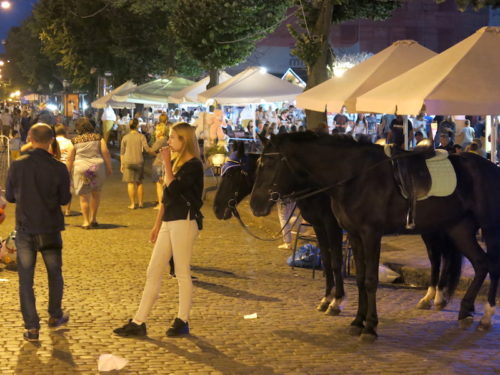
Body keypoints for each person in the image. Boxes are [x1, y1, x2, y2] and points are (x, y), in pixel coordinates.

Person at [114, 122, 203, 338]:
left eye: (173, 137)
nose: (169, 141)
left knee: (181, 272)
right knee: (153, 270)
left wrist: (166, 163)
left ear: (185, 140)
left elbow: (174, 187)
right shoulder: (176, 162)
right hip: (170, 220)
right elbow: (165, 197)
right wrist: (157, 224)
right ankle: (139, 321)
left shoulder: (193, 165)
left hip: (185, 220)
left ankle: (182, 320)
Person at [5, 123, 71, 342]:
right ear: (51, 140)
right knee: (55, 274)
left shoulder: (17, 165)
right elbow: (65, 199)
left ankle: (32, 328)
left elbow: (11, 197)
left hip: (25, 228)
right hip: (50, 228)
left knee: (26, 279)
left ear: (30, 138)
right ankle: (54, 314)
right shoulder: (59, 167)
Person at [67, 118, 112, 228]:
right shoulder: (98, 138)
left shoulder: (74, 141)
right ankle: (94, 218)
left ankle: (86, 221)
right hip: (96, 167)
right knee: (96, 194)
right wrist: (109, 167)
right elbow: (105, 152)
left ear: (78, 128)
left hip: (81, 168)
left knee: (84, 196)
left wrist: (67, 171)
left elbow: (70, 158)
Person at [120, 118, 153, 209]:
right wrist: (155, 152)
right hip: (139, 161)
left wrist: (122, 164)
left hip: (128, 161)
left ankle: (132, 204)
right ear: (137, 125)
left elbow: (122, 152)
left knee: (130, 183)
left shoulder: (125, 137)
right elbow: (147, 149)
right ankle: (141, 203)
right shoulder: (141, 136)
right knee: (139, 183)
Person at [55, 124, 74, 216]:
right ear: (64, 132)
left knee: (54, 189)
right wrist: (69, 170)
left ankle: (56, 209)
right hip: (65, 166)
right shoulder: (69, 142)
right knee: (67, 188)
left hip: (54, 167)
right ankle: (67, 210)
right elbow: (70, 158)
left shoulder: (52, 142)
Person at [151, 123, 169, 210]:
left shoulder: (160, 140)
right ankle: (163, 203)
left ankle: (160, 204)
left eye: (157, 130)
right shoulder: (166, 140)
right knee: (163, 185)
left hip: (158, 163)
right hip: (165, 163)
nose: (155, 132)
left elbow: (152, 149)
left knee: (159, 185)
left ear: (161, 131)